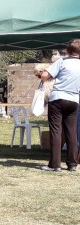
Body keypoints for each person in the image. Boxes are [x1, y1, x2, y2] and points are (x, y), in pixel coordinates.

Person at [41, 39, 80, 172]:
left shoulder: (62, 61)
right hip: (74, 100)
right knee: (72, 132)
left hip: (58, 98)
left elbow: (45, 76)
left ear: (67, 51)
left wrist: (42, 73)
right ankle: (72, 164)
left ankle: (55, 164)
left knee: (56, 131)